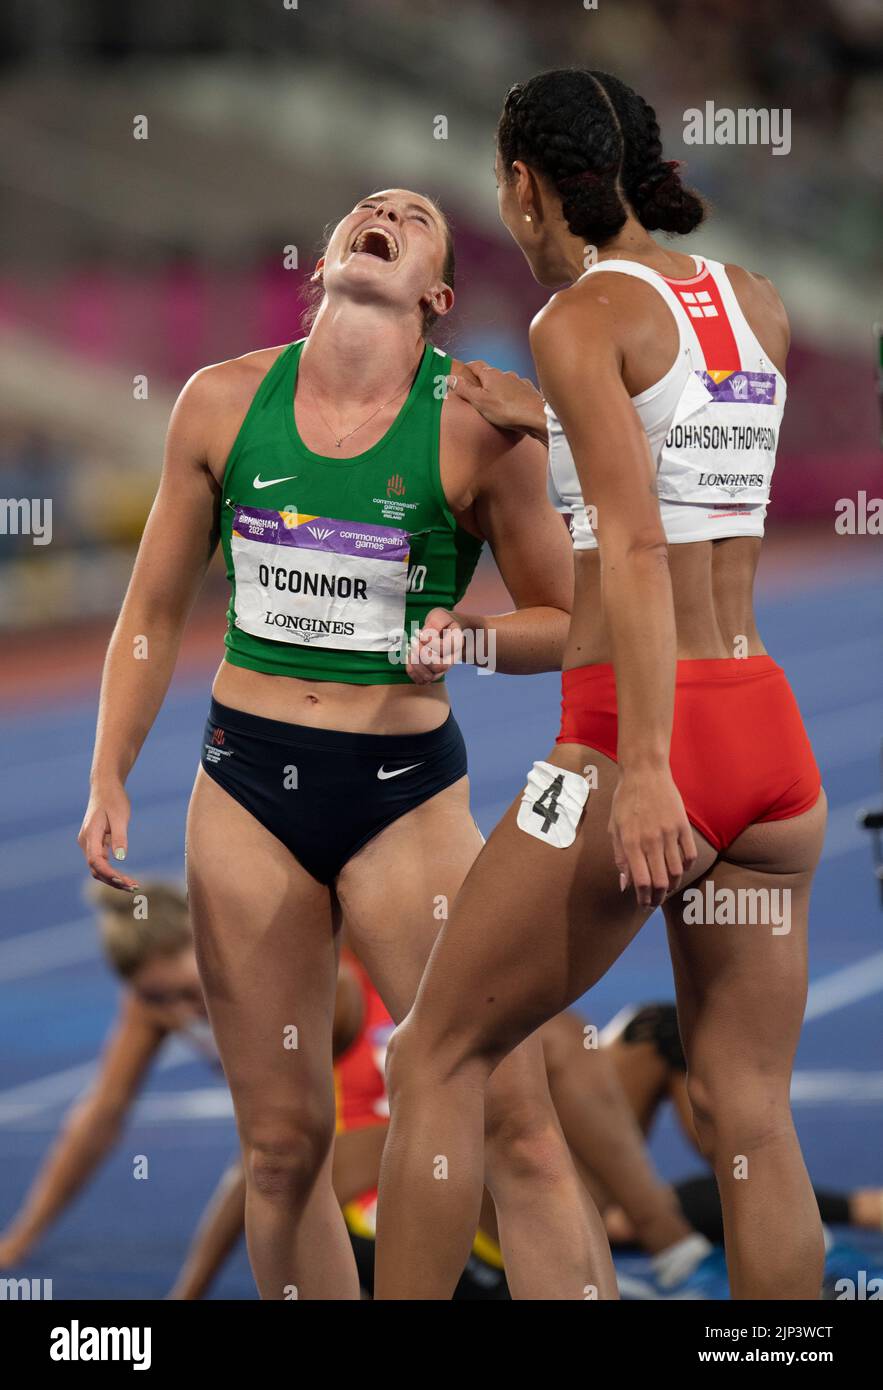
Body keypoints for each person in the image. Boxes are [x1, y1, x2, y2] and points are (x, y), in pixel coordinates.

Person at [76, 186, 613, 1300]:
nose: (383, 209)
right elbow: (149, 613)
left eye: (413, 216)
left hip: (402, 800)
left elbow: (572, 624)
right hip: (243, 794)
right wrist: (108, 770)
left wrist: (468, 639)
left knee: (511, 1116)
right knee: (279, 1150)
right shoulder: (219, 403)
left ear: (437, 295)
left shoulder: (476, 424)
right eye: (366, 207)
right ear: (322, 264)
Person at [376, 69, 827, 1301]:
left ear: (527, 186)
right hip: (768, 739)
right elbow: (686, 464)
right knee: (749, 1114)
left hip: (644, 736)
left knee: (432, 1057)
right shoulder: (755, 300)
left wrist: (637, 773)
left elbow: (628, 543)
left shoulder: (576, 319)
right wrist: (548, 421)